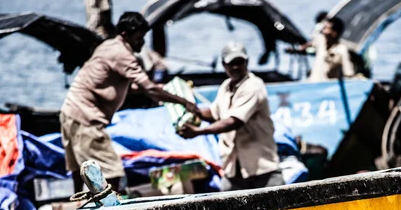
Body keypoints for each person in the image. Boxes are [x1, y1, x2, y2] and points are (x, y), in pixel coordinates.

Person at [60, 12, 198, 193]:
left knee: (80, 170)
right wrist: (184, 102)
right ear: (125, 35)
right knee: (112, 174)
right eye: (139, 38)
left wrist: (154, 89)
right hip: (87, 118)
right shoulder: (123, 55)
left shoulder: (108, 45)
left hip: (69, 112)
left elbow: (117, 84)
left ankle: (79, 206)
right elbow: (150, 89)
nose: (142, 43)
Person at [177, 42, 284, 191]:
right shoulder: (226, 86)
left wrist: (198, 132)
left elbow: (233, 122)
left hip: (262, 171)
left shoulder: (253, 85)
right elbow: (215, 114)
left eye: (239, 62)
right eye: (231, 63)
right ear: (224, 65)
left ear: (246, 62)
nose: (235, 67)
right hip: (233, 170)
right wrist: (193, 110)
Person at [288, 17, 355, 82]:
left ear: (334, 33)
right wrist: (298, 50)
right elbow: (310, 44)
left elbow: (349, 72)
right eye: (324, 28)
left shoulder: (341, 50)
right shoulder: (321, 41)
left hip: (326, 88)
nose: (323, 31)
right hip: (311, 84)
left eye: (327, 28)